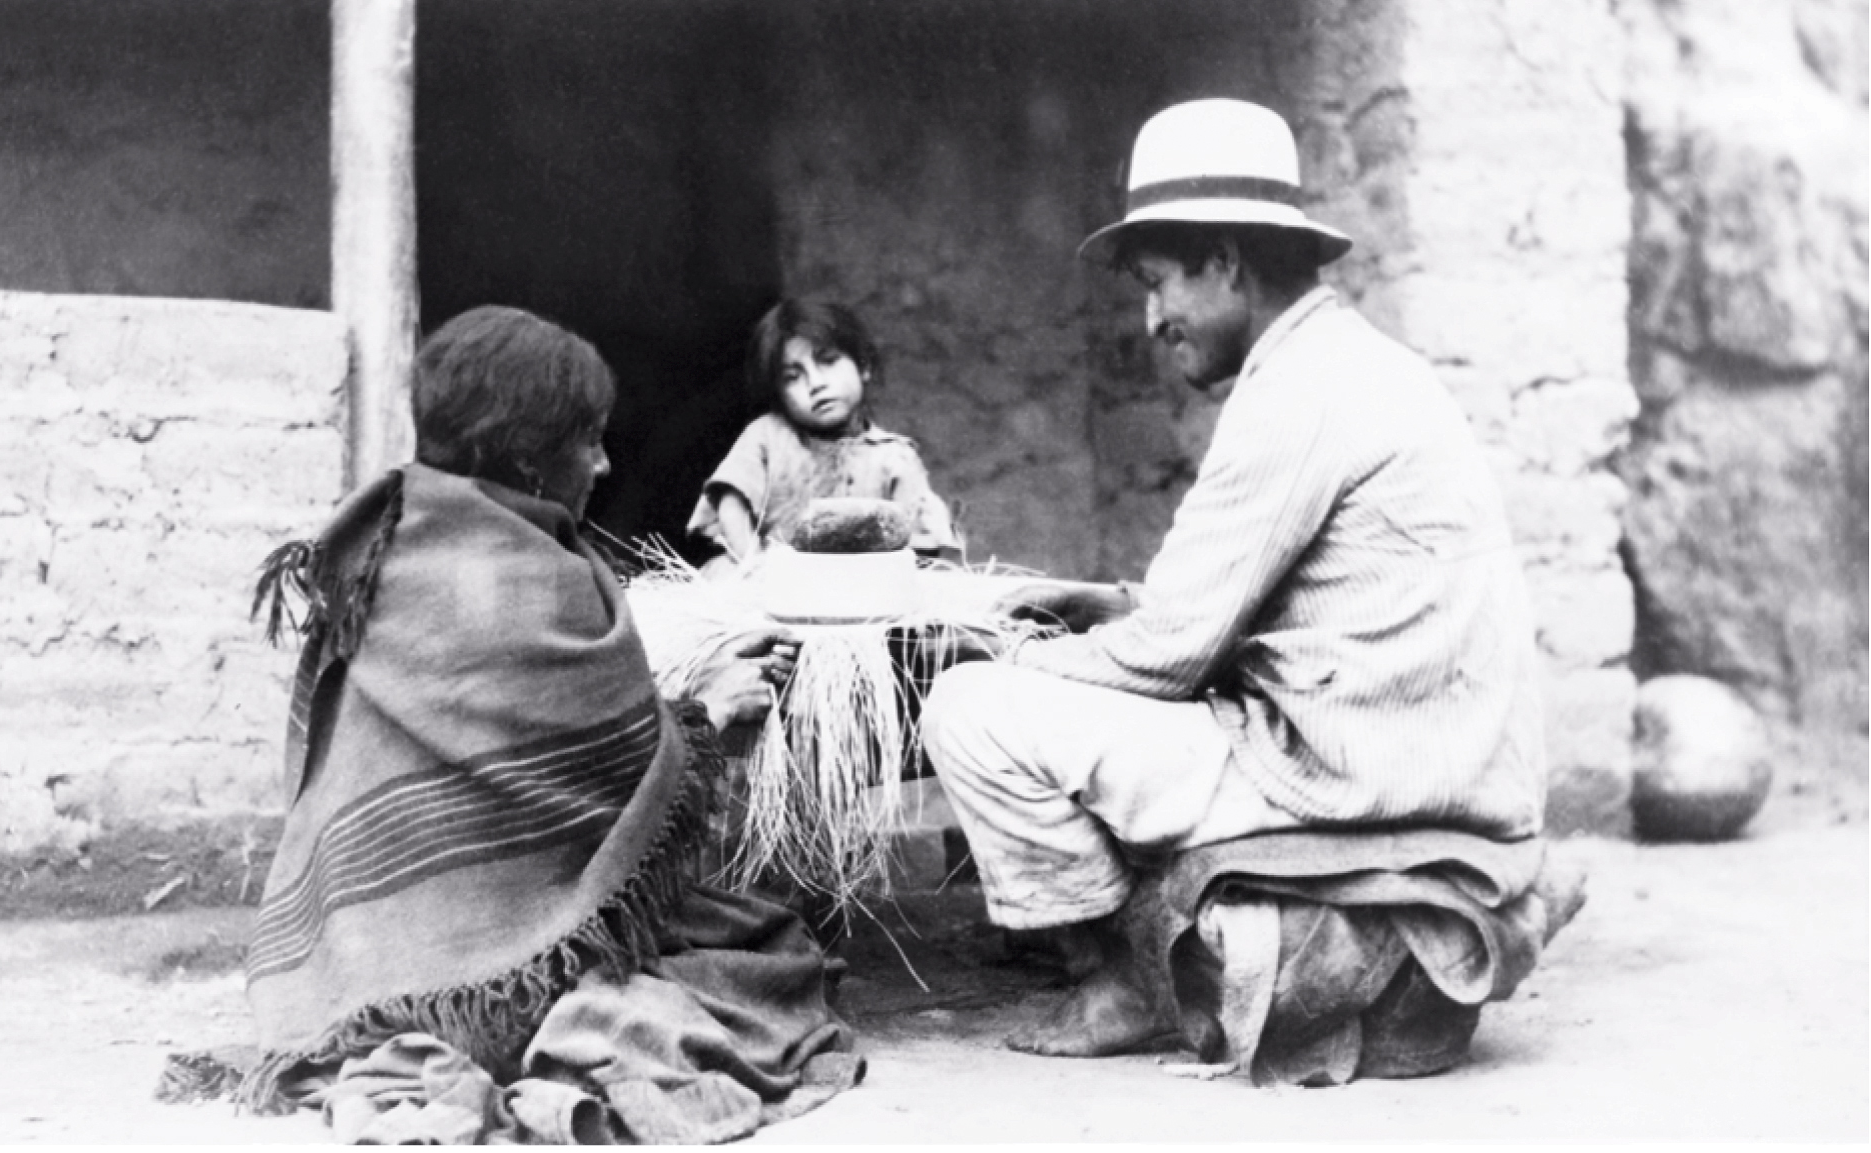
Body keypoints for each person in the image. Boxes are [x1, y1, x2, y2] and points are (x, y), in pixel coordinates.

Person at [919, 99, 1582, 1084]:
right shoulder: (1357, 362)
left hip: (1347, 780)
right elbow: (1270, 602)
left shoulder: (1291, 395)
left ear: (1226, 261)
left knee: (972, 710)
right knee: (1071, 689)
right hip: (1435, 760)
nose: (1151, 322)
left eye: (1157, 285)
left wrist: (1015, 654)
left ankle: (1117, 981)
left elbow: (1170, 653)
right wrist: (1118, 603)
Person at [239, 305, 861, 1143]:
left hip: (348, 951)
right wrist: (707, 716)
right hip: (491, 965)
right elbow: (595, 797)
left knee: (747, 937)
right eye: (590, 438)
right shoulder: (532, 578)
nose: (605, 463)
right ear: (529, 455)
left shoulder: (393, 536)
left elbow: (531, 759)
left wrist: (681, 704)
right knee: (770, 958)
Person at [687, 299, 962, 567]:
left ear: (863, 366)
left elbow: (919, 549)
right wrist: (752, 568)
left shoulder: (894, 456)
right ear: (779, 394)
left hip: (862, 586)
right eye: (793, 377)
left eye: (828, 361)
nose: (816, 384)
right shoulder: (767, 436)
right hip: (776, 579)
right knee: (719, 572)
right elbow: (732, 503)